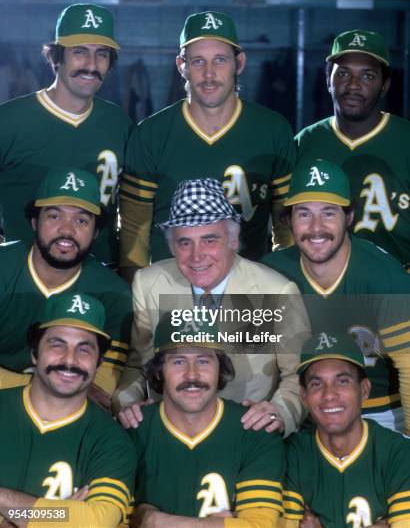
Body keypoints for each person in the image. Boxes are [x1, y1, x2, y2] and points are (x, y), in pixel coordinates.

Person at [114, 178, 310, 437]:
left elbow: (300, 375)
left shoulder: (276, 292)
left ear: (232, 238)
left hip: (246, 434)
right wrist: (128, 405)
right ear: (172, 245)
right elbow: (139, 366)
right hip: (169, 435)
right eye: (185, 243)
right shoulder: (149, 283)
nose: (197, 256)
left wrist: (280, 413)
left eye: (209, 240)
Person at [119, 10, 295, 281]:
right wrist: (138, 298)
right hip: (172, 290)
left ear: (239, 63)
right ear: (181, 65)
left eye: (220, 60)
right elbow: (134, 231)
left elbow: (287, 229)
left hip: (247, 291)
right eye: (198, 61)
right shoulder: (151, 134)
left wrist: (279, 287)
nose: (209, 74)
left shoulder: (273, 129)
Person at [262, 159, 410, 433]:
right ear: (288, 219)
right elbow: (247, 363)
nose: (316, 227)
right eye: (304, 214)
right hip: (300, 411)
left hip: (379, 412)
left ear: (349, 217)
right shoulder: (269, 272)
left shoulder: (385, 275)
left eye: (329, 213)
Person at [0, 3, 132, 266]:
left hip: (100, 275)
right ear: (57, 57)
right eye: (80, 52)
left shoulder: (119, 122)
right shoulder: (9, 120)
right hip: (20, 280)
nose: (91, 64)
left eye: (102, 54)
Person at [129, 312, 285, 527]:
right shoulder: (131, 431)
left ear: (220, 368)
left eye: (203, 360)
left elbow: (260, 525)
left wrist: (153, 520)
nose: (192, 375)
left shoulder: (255, 430)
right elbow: (107, 519)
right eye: (178, 361)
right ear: (158, 372)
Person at [0, 292, 136, 528]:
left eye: (84, 349)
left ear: (99, 361)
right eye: (57, 344)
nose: (70, 360)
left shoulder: (112, 442)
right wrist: (59, 515)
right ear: (34, 353)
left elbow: (95, 521)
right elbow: (76, 521)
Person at [0, 167, 132, 406]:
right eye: (54, 216)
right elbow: (82, 388)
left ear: (95, 233)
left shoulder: (114, 293)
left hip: (67, 410)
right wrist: (43, 386)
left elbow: (101, 390)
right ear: (34, 222)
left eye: (81, 220)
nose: (67, 229)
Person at [295, 30, 410, 268]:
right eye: (344, 74)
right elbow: (284, 224)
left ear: (385, 85)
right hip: (323, 285)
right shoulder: (304, 143)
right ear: (328, 80)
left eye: (367, 76)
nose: (354, 85)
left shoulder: (405, 138)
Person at [280, 332, 410, 527]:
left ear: (364, 390)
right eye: (316, 384)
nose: (329, 394)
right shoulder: (291, 454)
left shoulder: (399, 454)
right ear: (304, 396)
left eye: (342, 381)